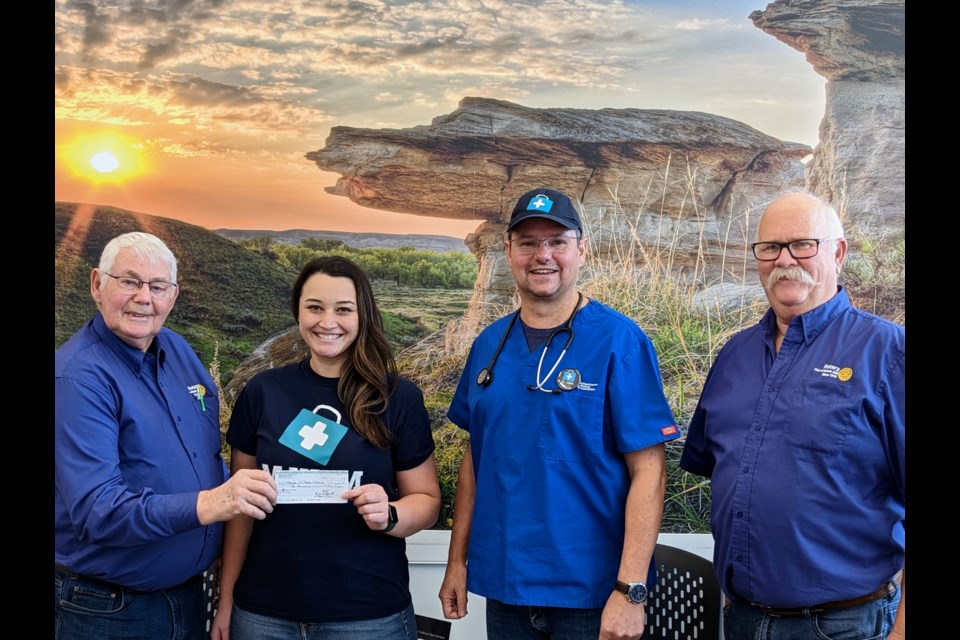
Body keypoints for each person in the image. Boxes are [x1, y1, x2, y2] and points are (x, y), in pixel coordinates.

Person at [438, 187, 681, 640]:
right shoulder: (488, 346)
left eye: (557, 241)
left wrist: (630, 591)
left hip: (593, 593)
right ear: (509, 252)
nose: (542, 255)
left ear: (581, 250)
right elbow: (476, 459)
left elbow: (650, 474)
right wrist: (456, 562)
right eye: (528, 242)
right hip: (507, 587)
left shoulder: (620, 343)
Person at [680, 191, 905, 640]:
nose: (785, 260)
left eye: (803, 244)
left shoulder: (887, 352)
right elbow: (726, 476)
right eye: (770, 247)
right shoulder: (734, 355)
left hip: (844, 626)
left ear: (837, 253)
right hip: (744, 621)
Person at [55, 231, 280, 640]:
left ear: (173, 296)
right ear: (96, 284)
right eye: (129, 281)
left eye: (158, 286)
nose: (145, 298)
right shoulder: (77, 378)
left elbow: (200, 457)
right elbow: (97, 512)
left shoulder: (176, 350)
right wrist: (212, 503)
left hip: (189, 598)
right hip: (108, 610)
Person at [212, 255, 441, 640]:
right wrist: (227, 600)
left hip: (367, 616)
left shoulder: (398, 398)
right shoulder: (263, 392)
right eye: (314, 307)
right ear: (298, 312)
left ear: (363, 314)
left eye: (343, 309)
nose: (327, 322)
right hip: (264, 614)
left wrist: (389, 514)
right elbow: (240, 509)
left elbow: (427, 499)